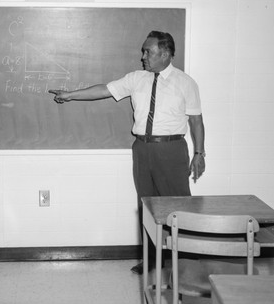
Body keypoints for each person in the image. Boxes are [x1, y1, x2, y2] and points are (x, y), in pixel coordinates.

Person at [49, 30, 206, 275]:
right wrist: (70, 95)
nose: (143, 56)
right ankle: (152, 258)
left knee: (178, 206)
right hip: (142, 149)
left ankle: (184, 260)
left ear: (165, 54)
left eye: (148, 51)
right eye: (144, 51)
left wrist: (199, 153)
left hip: (172, 149)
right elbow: (104, 90)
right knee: (147, 205)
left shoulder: (186, 83)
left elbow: (196, 121)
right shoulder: (136, 78)